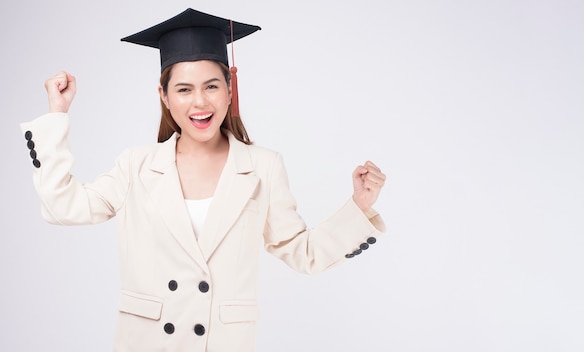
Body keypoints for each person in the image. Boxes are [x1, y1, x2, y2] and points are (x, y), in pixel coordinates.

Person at [20, 8, 386, 352]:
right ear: (164, 97)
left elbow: (302, 252)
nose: (200, 102)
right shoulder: (136, 165)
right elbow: (62, 207)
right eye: (183, 89)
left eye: (212, 86)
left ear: (230, 88)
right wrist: (57, 115)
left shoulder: (263, 167)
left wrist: (359, 206)